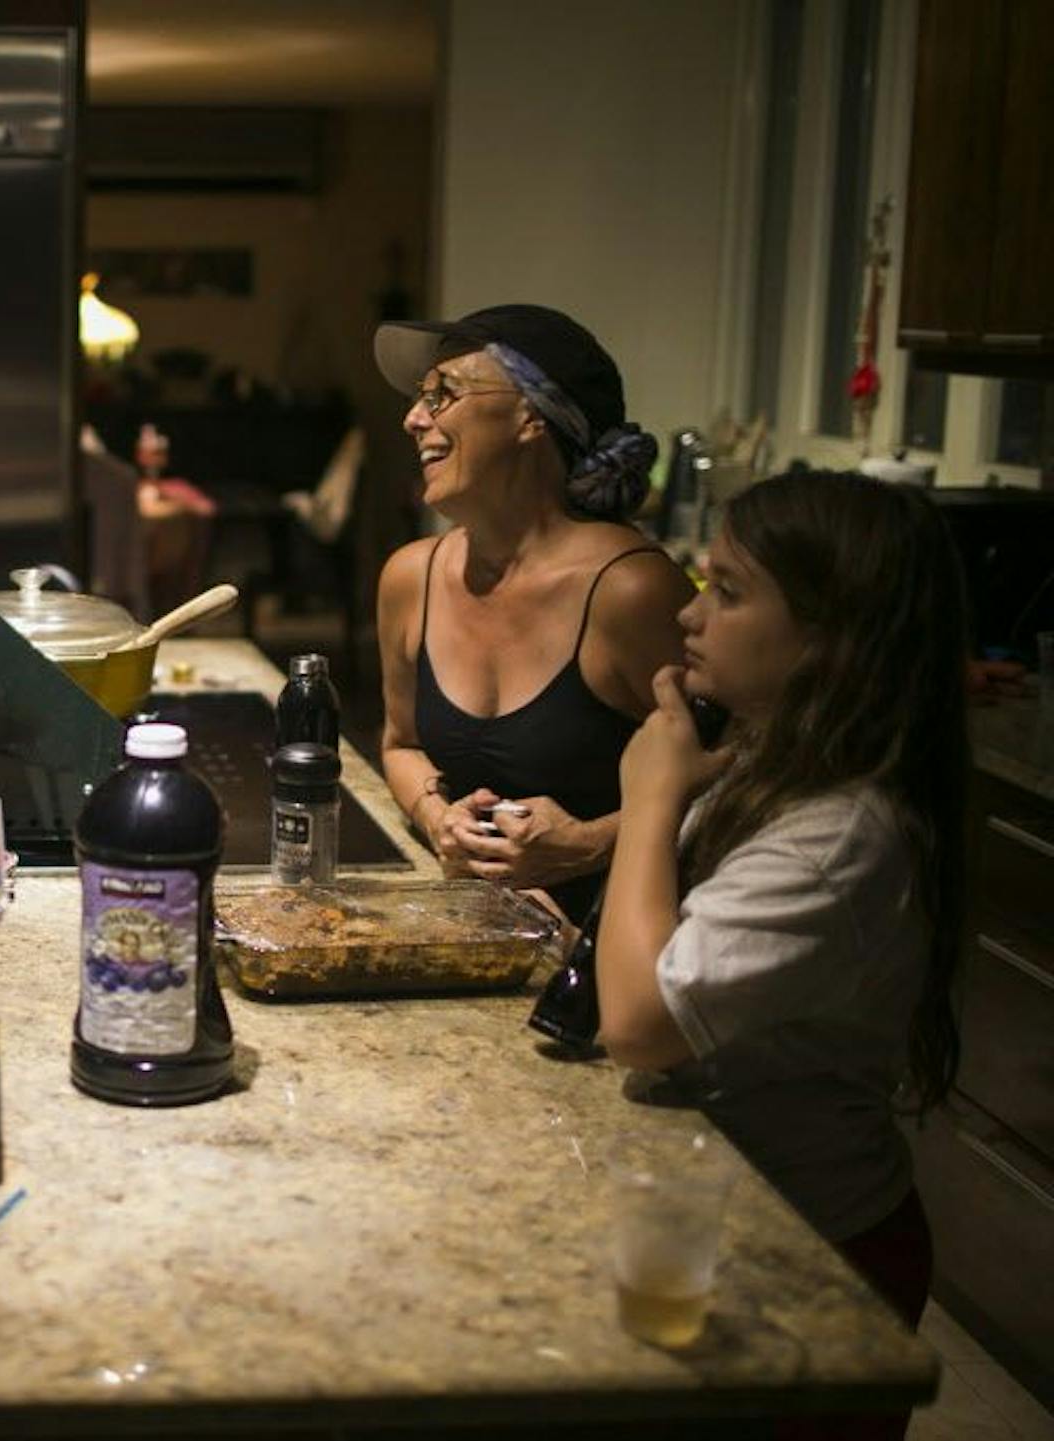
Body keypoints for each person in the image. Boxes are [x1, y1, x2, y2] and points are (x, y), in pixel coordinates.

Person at [596, 470, 967, 1439]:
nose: (688, 612)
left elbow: (641, 1023)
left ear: (829, 637)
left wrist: (652, 796)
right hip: (739, 1209)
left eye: (728, 590)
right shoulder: (784, 761)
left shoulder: (844, 834)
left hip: (818, 1246)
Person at [373, 303, 694, 921]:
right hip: (479, 941)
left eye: (442, 394)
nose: (413, 419)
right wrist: (440, 820)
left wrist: (590, 844)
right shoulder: (411, 578)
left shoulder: (630, 592)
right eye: (420, 397)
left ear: (531, 415)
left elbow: (747, 778)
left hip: (612, 959)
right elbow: (401, 743)